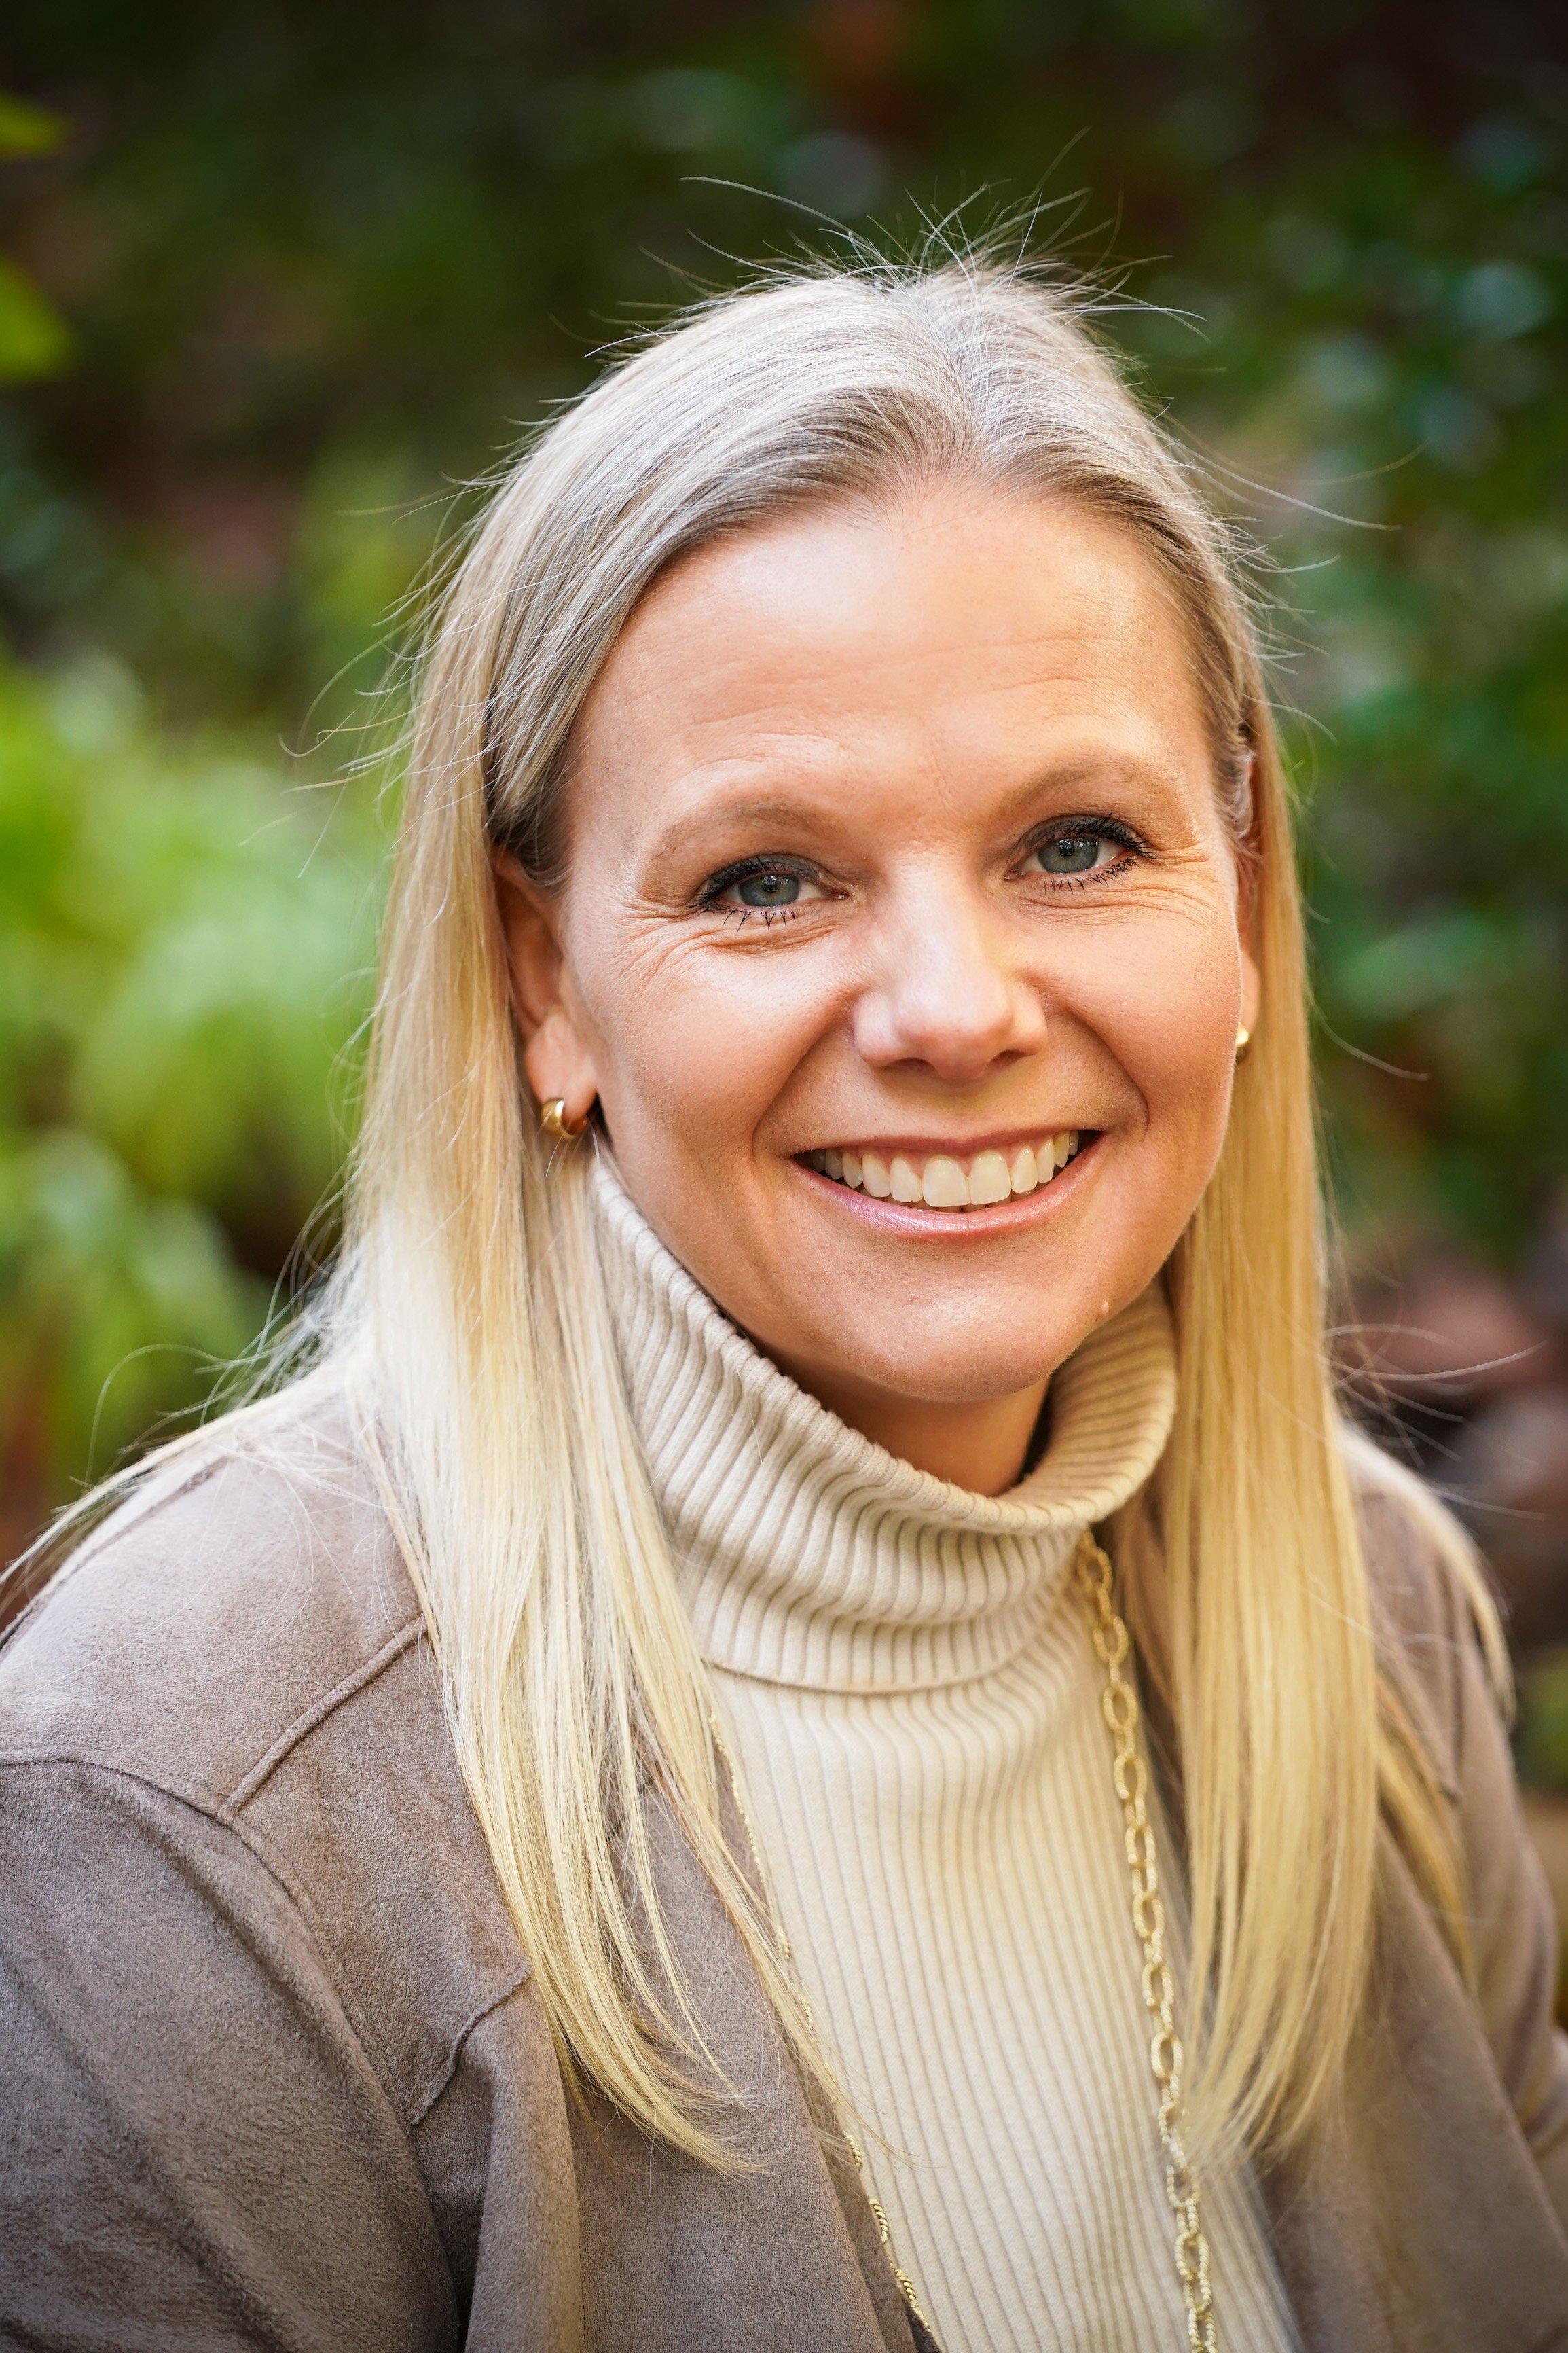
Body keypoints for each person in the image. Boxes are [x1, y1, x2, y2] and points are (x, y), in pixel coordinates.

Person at [1, 259, 1564, 2353]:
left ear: (1247, 896)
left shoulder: (1374, 1625)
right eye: (766, 879)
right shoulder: (192, 1776)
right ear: (540, 979)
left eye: (1080, 843)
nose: (951, 1012)